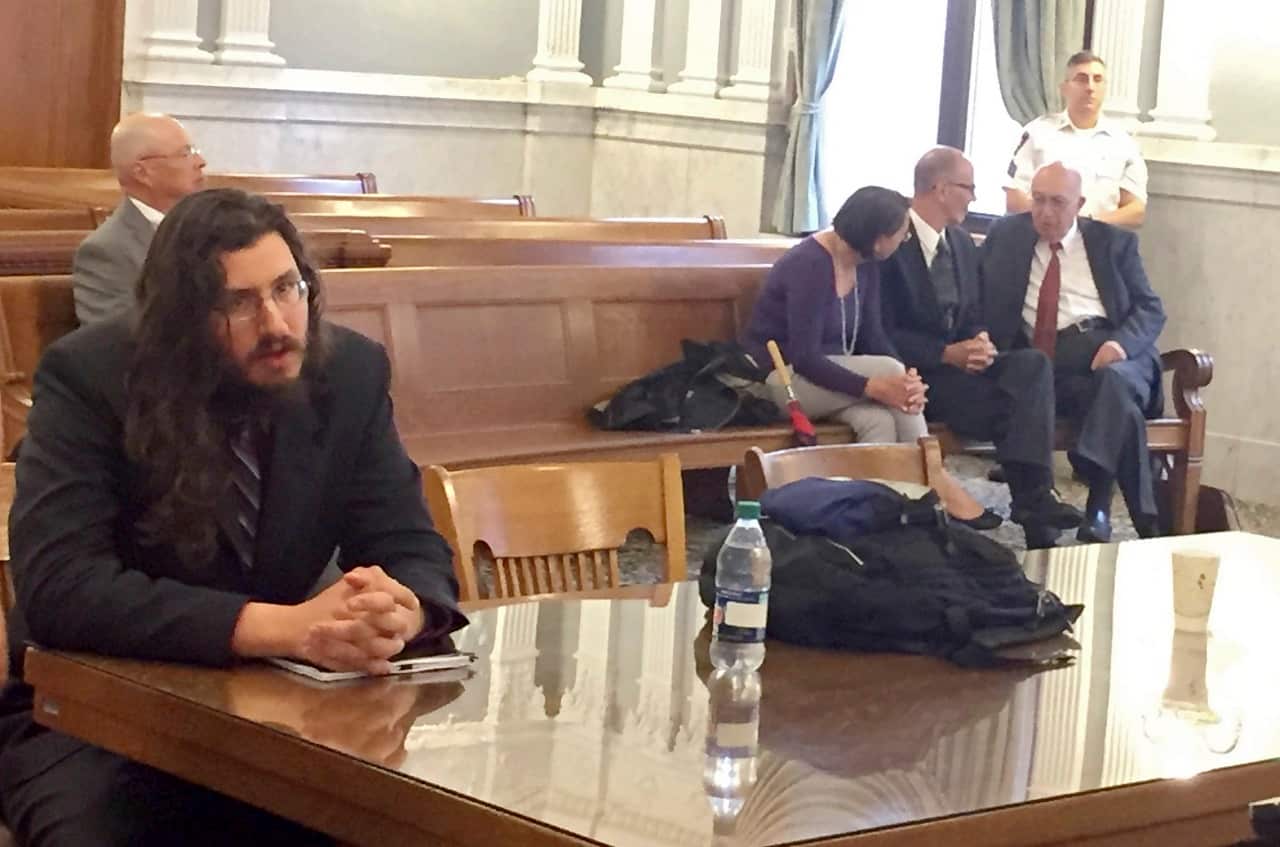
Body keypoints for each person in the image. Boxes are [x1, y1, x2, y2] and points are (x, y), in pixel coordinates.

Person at [0, 189, 466, 845]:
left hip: (272, 713)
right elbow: (62, 589)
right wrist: (287, 628)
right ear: (181, 319)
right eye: (238, 304)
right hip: (92, 720)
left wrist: (401, 609)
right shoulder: (90, 377)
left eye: (287, 289)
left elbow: (412, 546)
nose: (277, 323)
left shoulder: (349, 371)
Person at [744, 186, 999, 528]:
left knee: (877, 420)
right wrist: (874, 385)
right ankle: (934, 477)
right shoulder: (810, 264)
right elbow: (805, 356)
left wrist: (908, 380)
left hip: (831, 382)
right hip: (783, 380)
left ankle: (880, 513)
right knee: (886, 372)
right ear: (878, 238)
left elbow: (874, 336)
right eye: (901, 234)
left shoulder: (865, 264)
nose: (904, 240)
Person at [881, 148, 1081, 548]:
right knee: (1015, 407)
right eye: (968, 188)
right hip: (918, 378)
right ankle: (1034, 508)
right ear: (940, 189)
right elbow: (881, 332)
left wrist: (980, 342)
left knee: (1031, 367)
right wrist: (945, 354)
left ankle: (1034, 500)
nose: (973, 198)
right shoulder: (891, 240)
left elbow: (973, 312)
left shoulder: (959, 240)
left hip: (961, 370)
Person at [982, 163, 1166, 543]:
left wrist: (1120, 345)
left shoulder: (1113, 243)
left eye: (1058, 203)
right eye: (1039, 200)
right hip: (1052, 366)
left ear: (1079, 204)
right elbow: (977, 297)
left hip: (1114, 351)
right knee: (1118, 408)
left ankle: (1091, 473)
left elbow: (1150, 309)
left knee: (1112, 381)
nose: (1046, 212)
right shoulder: (1007, 236)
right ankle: (1138, 519)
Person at [73, 112, 208, 324]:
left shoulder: (209, 226)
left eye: (195, 151)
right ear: (143, 172)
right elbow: (112, 343)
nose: (201, 162)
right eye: (185, 154)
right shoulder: (107, 251)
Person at [1004, 51, 1148, 230]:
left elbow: (1136, 211)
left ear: (1105, 88)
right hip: (1040, 241)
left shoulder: (1123, 144)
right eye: (1081, 79)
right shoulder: (1037, 133)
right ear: (1064, 88)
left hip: (1098, 243)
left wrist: (1085, 224)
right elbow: (1014, 198)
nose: (1090, 87)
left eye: (1097, 79)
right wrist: (1054, 223)